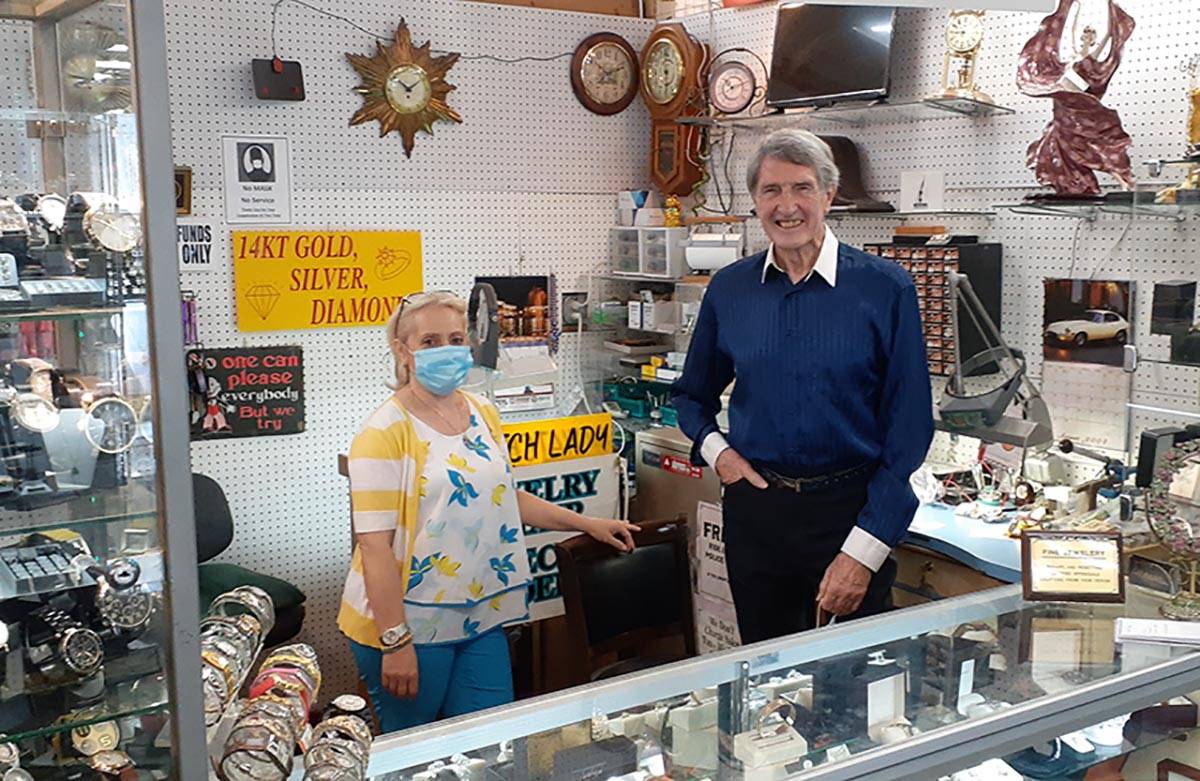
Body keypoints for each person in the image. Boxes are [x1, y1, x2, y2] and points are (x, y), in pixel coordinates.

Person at [671, 129, 934, 644]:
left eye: (802, 188)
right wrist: (720, 455)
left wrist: (862, 553)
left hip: (849, 513)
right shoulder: (731, 289)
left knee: (852, 687)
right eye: (771, 191)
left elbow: (909, 434)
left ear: (829, 196)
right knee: (767, 686)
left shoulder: (885, 289)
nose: (786, 206)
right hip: (757, 513)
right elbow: (691, 395)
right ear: (754, 201)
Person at [338, 291, 639, 731]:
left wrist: (586, 523)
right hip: (409, 626)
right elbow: (375, 547)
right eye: (429, 341)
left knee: (490, 745)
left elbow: (505, 498)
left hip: (481, 615)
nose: (447, 349)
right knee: (418, 756)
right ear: (402, 351)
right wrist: (395, 642)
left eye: (455, 338)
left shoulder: (482, 412)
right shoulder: (383, 431)